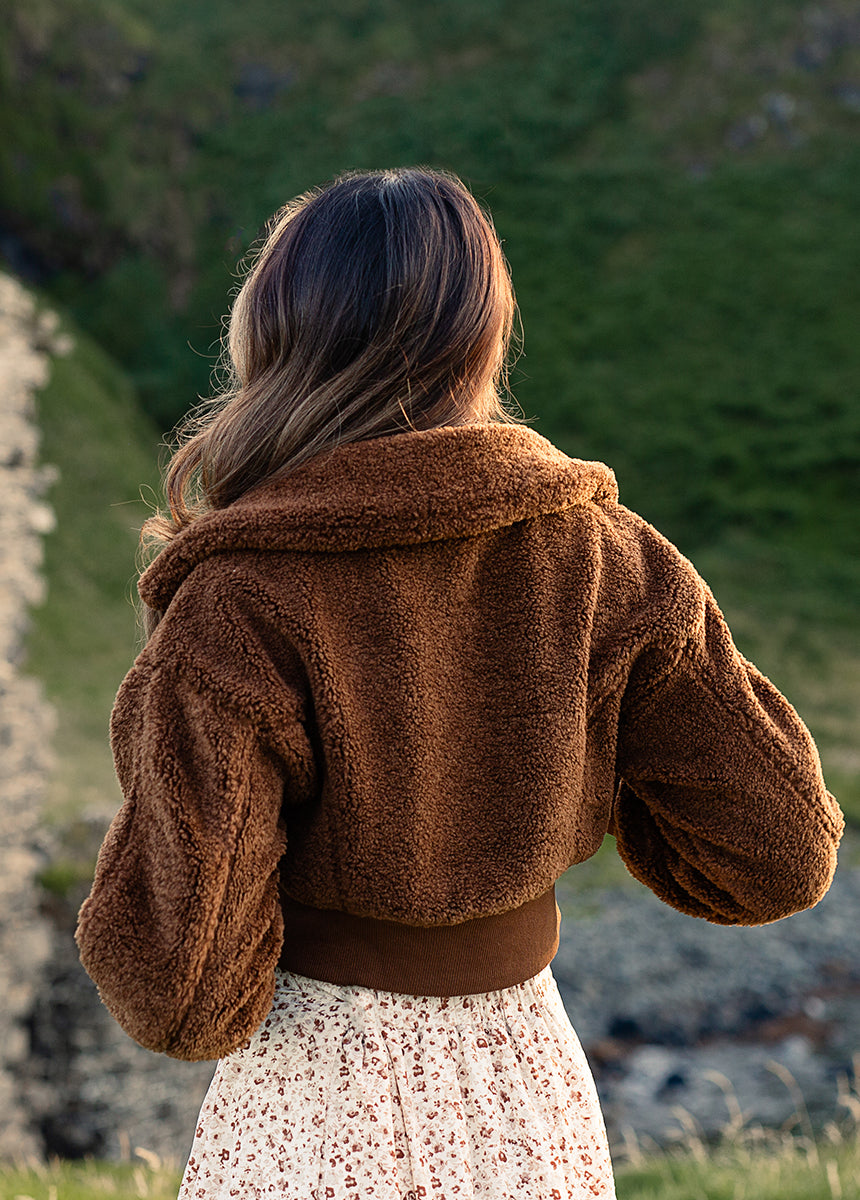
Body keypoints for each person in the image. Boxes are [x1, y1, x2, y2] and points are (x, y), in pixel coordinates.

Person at [76, 167, 843, 1200]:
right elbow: (778, 855)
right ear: (481, 339)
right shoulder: (607, 558)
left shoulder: (237, 601)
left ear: (275, 337)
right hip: (529, 1108)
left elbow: (184, 992)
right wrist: (577, 769)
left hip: (313, 1112)